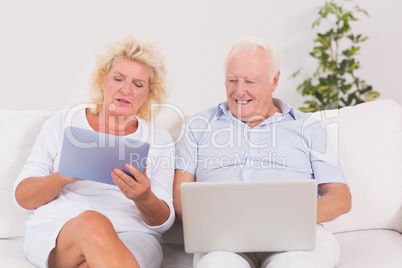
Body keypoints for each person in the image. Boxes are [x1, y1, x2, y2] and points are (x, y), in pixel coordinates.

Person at [173, 36, 352, 268]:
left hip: (295, 239)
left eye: (250, 81)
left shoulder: (307, 127)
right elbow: (179, 198)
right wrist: (218, 223)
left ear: (274, 80)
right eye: (232, 80)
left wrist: (291, 217)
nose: (240, 90)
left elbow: (341, 197)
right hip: (224, 241)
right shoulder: (198, 126)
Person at [13, 34, 175, 268]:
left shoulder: (159, 139)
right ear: (102, 81)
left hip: (133, 236)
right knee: (93, 222)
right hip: (62, 228)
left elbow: (162, 222)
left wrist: (143, 196)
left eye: (137, 84)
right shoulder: (63, 123)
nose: (125, 90)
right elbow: (23, 197)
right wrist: (65, 175)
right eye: (118, 79)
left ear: (148, 94)